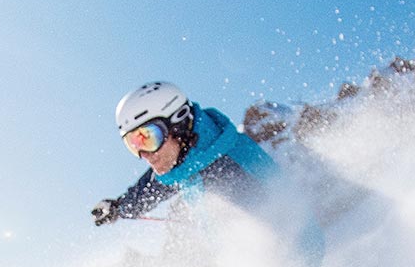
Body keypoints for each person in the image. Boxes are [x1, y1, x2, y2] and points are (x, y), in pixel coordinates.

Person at [91, 81, 281, 227]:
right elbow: (152, 187)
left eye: (148, 137)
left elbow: (290, 221)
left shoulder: (233, 168)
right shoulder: (184, 160)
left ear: (179, 122)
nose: (145, 154)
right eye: (133, 144)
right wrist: (119, 207)